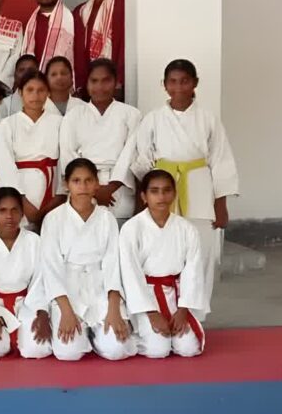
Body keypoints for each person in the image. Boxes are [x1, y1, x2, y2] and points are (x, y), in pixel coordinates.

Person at [131, 59, 238, 316]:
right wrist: (141, 201)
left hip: (199, 190)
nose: (178, 87)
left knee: (200, 253)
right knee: (165, 252)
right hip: (162, 189)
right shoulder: (153, 119)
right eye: (173, 82)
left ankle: (195, 315)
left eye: (185, 81)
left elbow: (221, 161)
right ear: (164, 85)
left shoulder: (208, 119)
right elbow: (143, 161)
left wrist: (220, 204)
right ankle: (166, 310)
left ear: (195, 83)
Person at [40, 158, 136, 361]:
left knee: (117, 350)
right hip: (68, 290)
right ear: (66, 184)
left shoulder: (106, 218)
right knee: (69, 352)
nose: (82, 187)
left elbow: (113, 264)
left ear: (96, 184)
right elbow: (51, 268)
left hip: (101, 289)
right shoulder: (53, 219)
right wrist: (66, 312)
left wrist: (113, 309)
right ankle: (83, 332)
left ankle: (96, 334)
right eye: (76, 181)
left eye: (88, 180)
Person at [119, 171, 206, 358]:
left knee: (189, 348)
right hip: (145, 295)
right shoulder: (131, 228)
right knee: (158, 350)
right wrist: (151, 313)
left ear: (174, 194)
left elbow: (193, 271)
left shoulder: (187, 229)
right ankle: (135, 336)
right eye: (154, 191)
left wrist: (183, 309)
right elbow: (130, 272)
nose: (161, 196)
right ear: (144, 196)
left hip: (176, 295)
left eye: (167, 190)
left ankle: (173, 332)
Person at [0, 187, 52, 360]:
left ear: (22, 214)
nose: (9, 216)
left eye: (15, 210)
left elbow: (40, 280)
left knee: (38, 348)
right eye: (2, 210)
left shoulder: (34, 241)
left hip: (26, 304)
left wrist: (42, 313)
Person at [60, 59, 142, 220]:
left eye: (106, 81)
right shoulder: (73, 116)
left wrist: (111, 187)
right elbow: (67, 153)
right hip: (83, 189)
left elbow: (130, 154)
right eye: (94, 81)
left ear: (116, 82)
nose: (100, 87)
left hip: (118, 190)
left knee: (119, 230)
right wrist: (93, 188)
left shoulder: (132, 114)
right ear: (87, 84)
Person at [0, 70, 64, 229]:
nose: (35, 95)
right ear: (20, 93)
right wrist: (22, 202)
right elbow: (5, 166)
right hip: (21, 194)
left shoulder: (60, 122)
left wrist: (59, 196)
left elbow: (66, 161)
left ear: (48, 93)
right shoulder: (8, 125)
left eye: (41, 90)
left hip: (53, 192)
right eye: (30, 90)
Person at [74, 0, 125, 97]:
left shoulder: (121, 6)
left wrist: (119, 79)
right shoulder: (81, 10)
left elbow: (125, 45)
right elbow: (76, 48)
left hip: (113, 76)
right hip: (87, 77)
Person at [23, 0, 85, 76]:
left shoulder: (72, 20)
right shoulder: (31, 22)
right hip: (36, 80)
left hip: (61, 78)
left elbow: (80, 56)